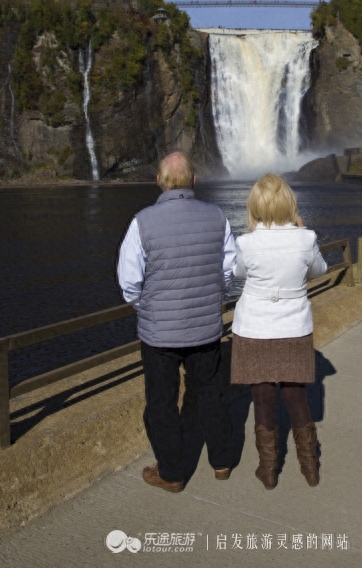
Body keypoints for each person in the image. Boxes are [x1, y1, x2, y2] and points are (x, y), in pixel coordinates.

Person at [117, 152, 235, 493]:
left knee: (162, 402)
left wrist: (149, 308)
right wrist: (210, 296)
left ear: (159, 181)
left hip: (159, 335)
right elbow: (228, 268)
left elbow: (129, 282)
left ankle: (171, 473)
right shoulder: (217, 217)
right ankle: (222, 461)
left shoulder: (142, 221)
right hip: (206, 328)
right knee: (211, 393)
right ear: (194, 181)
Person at [230, 174, 327, 490]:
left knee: (262, 396)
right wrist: (301, 236)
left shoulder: (246, 243)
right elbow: (320, 271)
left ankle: (268, 470)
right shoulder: (306, 238)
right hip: (293, 326)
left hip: (255, 327)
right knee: (296, 395)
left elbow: (237, 272)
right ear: (289, 203)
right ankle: (310, 468)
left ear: (255, 206)